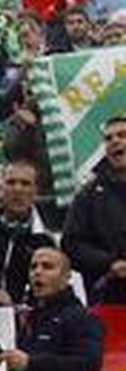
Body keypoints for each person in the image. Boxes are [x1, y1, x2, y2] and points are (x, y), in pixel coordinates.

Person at [63, 114, 126, 305]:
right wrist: (109, 263)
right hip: (110, 297)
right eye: (108, 138)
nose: (115, 141)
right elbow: (72, 243)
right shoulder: (88, 194)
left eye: (122, 135)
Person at [0, 159, 57, 306]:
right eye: (11, 182)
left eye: (25, 184)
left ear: (36, 191)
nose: (18, 189)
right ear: (0, 188)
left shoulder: (45, 240)